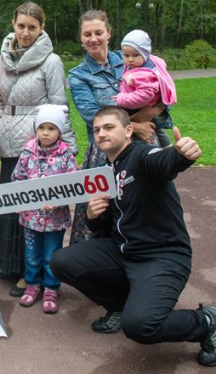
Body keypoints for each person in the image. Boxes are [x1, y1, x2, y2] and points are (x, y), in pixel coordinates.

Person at [50, 106, 216, 368]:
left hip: (162, 257)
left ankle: (207, 321)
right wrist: (94, 216)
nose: (101, 133)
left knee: (141, 326)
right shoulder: (107, 172)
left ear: (128, 131)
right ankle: (120, 305)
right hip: (124, 251)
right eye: (96, 130)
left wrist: (181, 155)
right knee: (61, 261)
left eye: (108, 127)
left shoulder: (140, 155)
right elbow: (105, 231)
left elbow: (162, 161)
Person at [0, 2, 77, 297]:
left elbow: (58, 105)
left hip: (37, 145)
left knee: (33, 207)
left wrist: (68, 147)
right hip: (7, 140)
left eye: (32, 27)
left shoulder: (50, 61)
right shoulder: (2, 59)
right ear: (13, 23)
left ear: (42, 28)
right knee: (10, 202)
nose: (25, 32)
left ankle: (32, 275)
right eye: (21, 25)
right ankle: (8, 264)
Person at [68, 10, 165, 244]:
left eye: (98, 32)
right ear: (81, 38)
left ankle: (145, 258)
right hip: (104, 154)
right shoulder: (78, 75)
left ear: (109, 34)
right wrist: (136, 125)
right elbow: (92, 114)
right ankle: (96, 268)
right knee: (100, 210)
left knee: (143, 206)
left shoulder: (131, 59)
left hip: (141, 147)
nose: (93, 38)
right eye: (87, 34)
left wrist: (149, 117)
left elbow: (161, 94)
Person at [11, 104, 77, 313]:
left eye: (51, 128)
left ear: (60, 131)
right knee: (31, 255)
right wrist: (18, 201)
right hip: (31, 217)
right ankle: (32, 285)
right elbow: (18, 178)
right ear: (36, 129)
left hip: (55, 219)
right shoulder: (27, 152)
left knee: (51, 256)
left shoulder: (66, 155)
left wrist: (57, 200)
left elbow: (73, 184)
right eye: (42, 128)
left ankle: (51, 288)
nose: (46, 133)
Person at [114, 29, 176, 148]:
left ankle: (166, 148)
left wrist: (122, 98)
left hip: (144, 106)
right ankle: (167, 148)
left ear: (145, 54)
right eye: (126, 55)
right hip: (146, 108)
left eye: (135, 55)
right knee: (157, 129)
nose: (130, 59)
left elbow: (144, 96)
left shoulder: (145, 73)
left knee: (155, 130)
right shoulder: (137, 66)